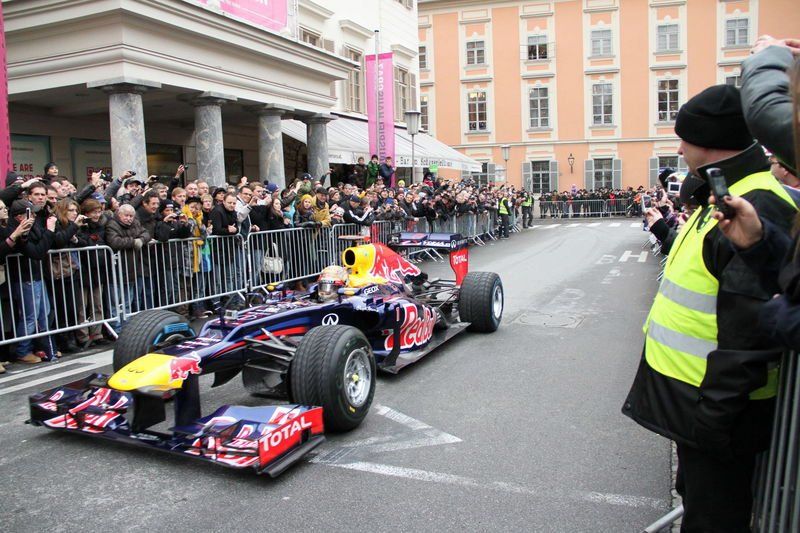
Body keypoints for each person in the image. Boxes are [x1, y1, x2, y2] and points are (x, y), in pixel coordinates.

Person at [622, 84, 798, 533]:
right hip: (697, 396)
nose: (680, 149)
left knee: (715, 518)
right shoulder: (723, 192)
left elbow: (749, 327)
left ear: (710, 140)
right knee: (700, 505)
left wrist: (716, 416)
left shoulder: (756, 202)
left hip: (717, 404)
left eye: (685, 138)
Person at [3, 190, 58, 363]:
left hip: (36, 275)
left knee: (44, 313)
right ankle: (23, 350)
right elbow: (37, 252)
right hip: (25, 277)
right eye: (31, 214)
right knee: (30, 317)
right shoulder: (16, 231)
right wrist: (49, 231)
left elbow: (42, 247)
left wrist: (47, 232)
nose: (34, 216)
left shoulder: (33, 227)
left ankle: (45, 348)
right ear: (20, 217)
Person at [105, 204, 150, 320]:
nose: (129, 218)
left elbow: (146, 233)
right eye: (126, 215)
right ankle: (116, 327)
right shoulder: (112, 224)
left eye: (131, 216)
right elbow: (115, 242)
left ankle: (127, 325)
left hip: (131, 269)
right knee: (114, 303)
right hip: (116, 271)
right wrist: (134, 242)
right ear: (119, 214)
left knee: (127, 301)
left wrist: (141, 240)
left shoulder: (135, 223)